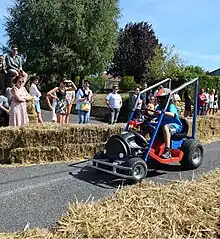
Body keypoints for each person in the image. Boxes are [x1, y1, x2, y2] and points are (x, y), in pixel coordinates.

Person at [154, 88, 182, 159]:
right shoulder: (160, 106)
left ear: (167, 98)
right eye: (159, 98)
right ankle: (146, 144)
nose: (160, 100)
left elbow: (172, 114)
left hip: (175, 125)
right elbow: (154, 114)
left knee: (165, 127)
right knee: (147, 124)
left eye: (162, 98)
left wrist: (162, 112)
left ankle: (167, 150)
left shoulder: (170, 106)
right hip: (163, 124)